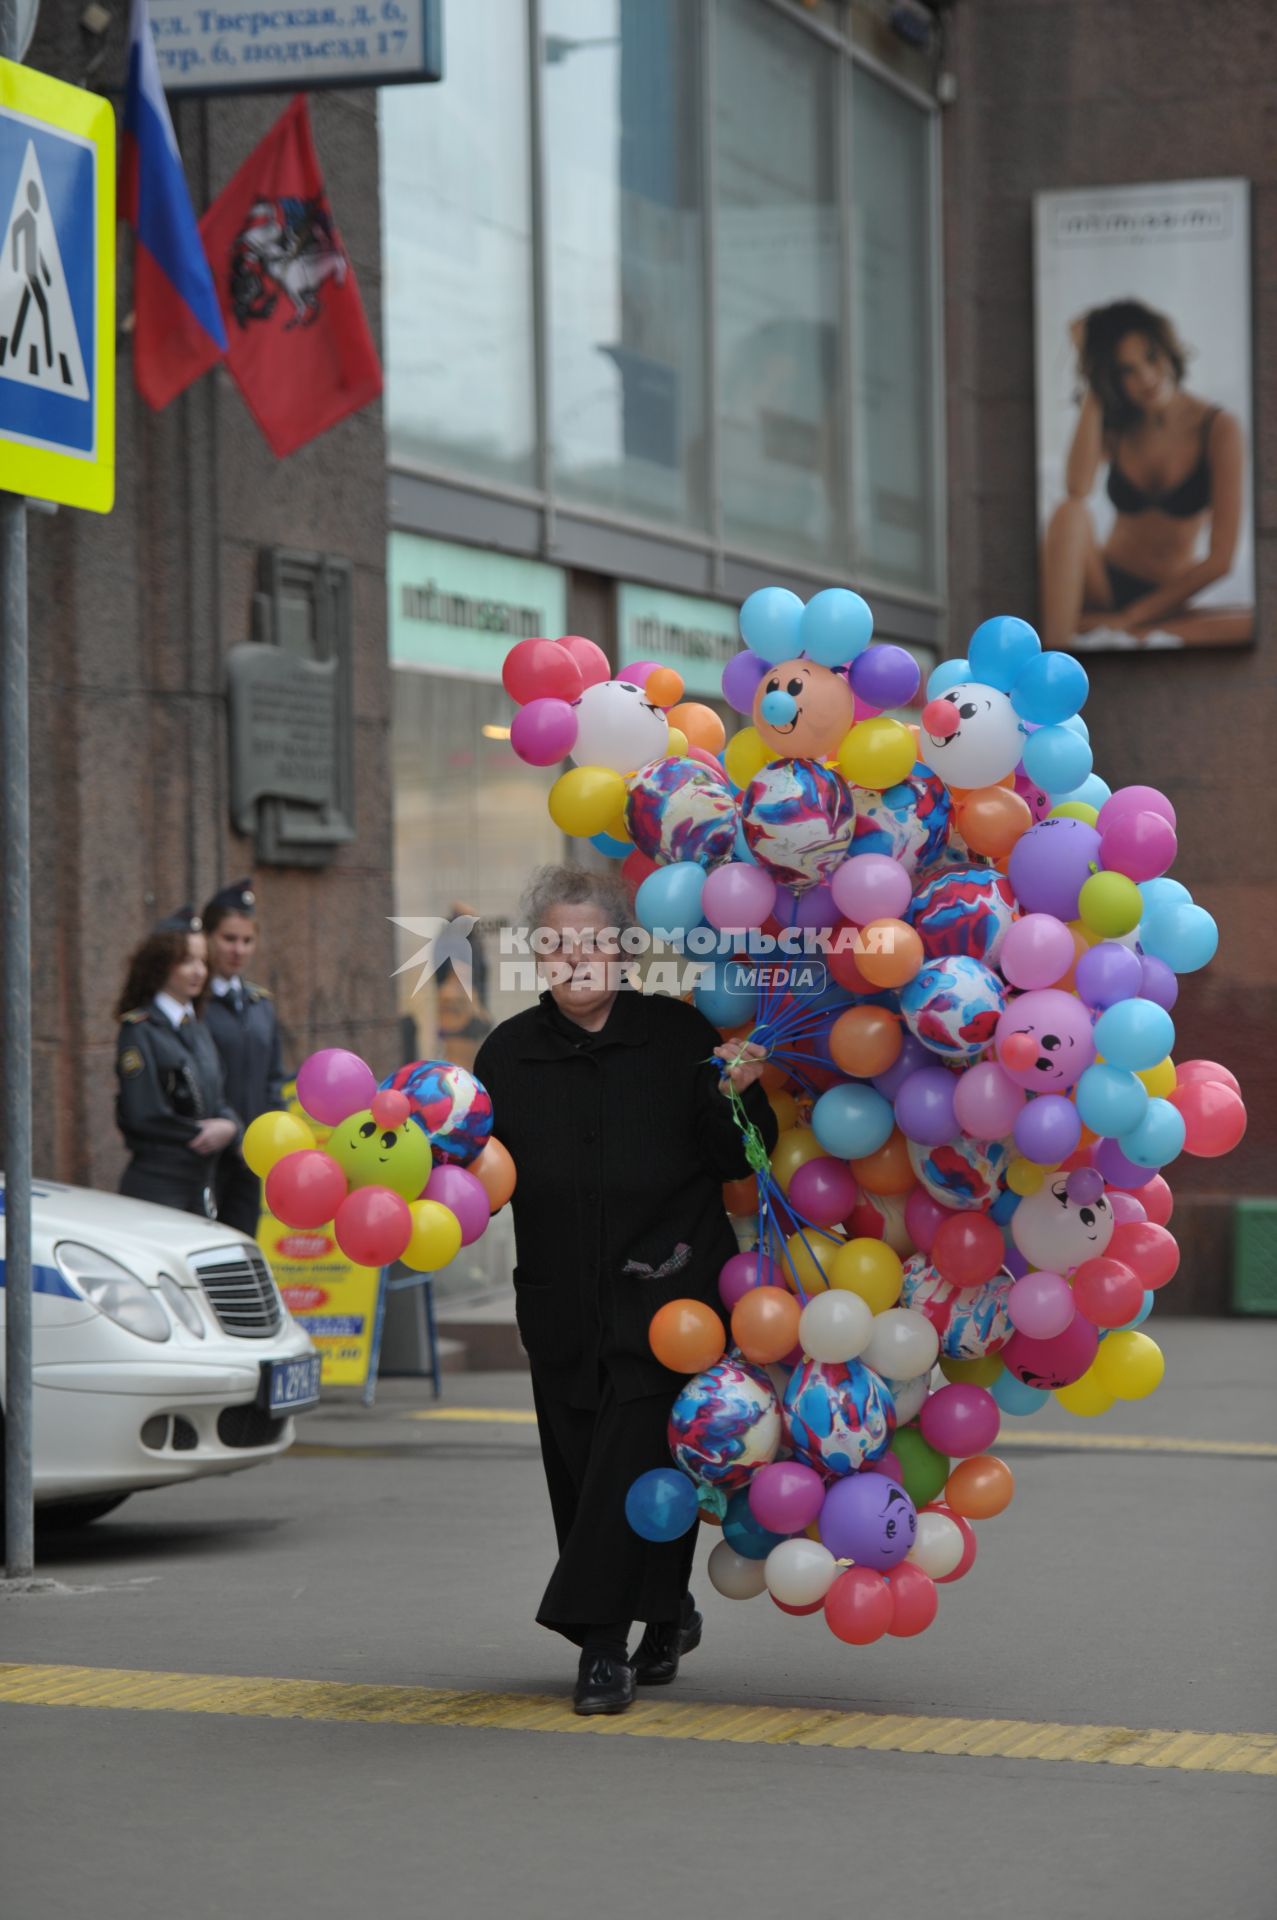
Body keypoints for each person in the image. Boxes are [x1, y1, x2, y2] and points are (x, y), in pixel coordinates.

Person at [474, 865, 777, 1718]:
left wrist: (741, 1097)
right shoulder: (506, 1054)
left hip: (671, 1302)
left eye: (591, 942)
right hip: (561, 1304)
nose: (575, 960)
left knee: (633, 1464)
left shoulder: (677, 1036)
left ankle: (600, 1646)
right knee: (581, 1479)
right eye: (556, 945)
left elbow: (736, 1159)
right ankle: (668, 1612)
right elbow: (481, 1176)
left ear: (622, 950)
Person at [1040, 298, 1250, 651]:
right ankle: (1054, 657)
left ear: (1168, 351)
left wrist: (1131, 619)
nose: (1146, 378)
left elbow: (1220, 560)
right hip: (1105, 583)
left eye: (1151, 357)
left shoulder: (1218, 427)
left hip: (1165, 599)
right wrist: (1093, 374)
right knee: (1069, 513)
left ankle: (1105, 630)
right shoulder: (1121, 426)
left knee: (1252, 622)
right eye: (1126, 371)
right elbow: (1076, 488)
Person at [114, 908, 241, 1218]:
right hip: (158, 1184)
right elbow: (143, 1113)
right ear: (161, 966)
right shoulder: (139, 1029)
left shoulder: (197, 1026)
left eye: (202, 961)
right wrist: (203, 1133)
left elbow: (216, 1098)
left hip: (201, 1183)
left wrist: (231, 1126)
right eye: (187, 961)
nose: (199, 971)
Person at [200, 879, 286, 1236]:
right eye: (228, 938)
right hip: (208, 1157)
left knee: (243, 1247)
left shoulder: (259, 1004)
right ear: (207, 938)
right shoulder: (196, 1004)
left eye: (247, 941)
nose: (238, 949)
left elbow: (273, 1078)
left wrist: (276, 1134)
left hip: (251, 1158)